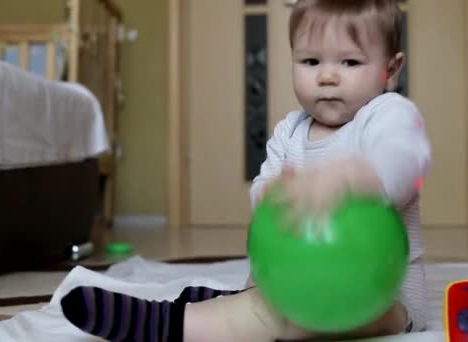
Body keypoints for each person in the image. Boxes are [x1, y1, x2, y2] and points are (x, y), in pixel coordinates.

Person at [60, 0, 431, 341]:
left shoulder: (387, 116)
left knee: (283, 317)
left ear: (391, 69)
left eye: (349, 62)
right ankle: (238, 303)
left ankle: (170, 325)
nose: (327, 77)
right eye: (311, 62)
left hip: (384, 299)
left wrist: (352, 178)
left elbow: (405, 160)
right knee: (271, 296)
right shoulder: (290, 130)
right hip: (305, 282)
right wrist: (272, 197)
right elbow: (265, 186)